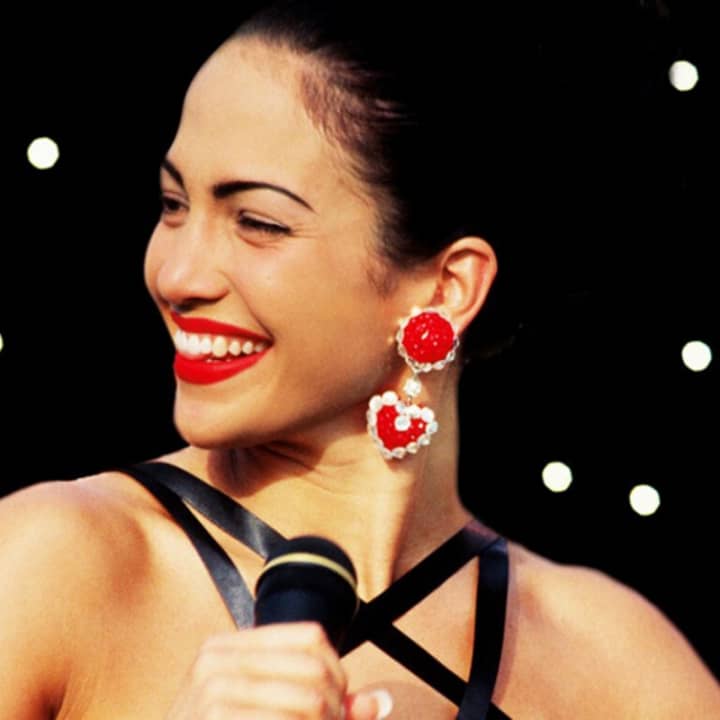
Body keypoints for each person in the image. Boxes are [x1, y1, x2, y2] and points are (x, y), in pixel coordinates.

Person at [1, 2, 718, 718]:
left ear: (447, 287)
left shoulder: (615, 664)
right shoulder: (49, 564)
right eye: (172, 203)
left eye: (258, 222)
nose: (176, 275)